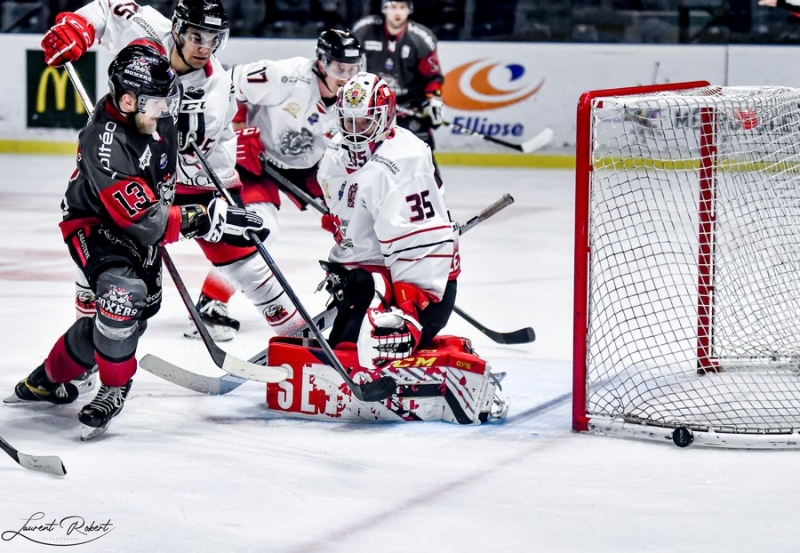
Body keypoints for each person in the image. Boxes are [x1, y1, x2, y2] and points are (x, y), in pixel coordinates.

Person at [3, 41, 268, 440]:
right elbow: (146, 221)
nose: (166, 110)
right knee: (120, 298)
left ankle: (46, 378)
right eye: (156, 103)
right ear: (127, 101)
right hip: (95, 225)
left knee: (127, 322)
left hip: (139, 222)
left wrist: (217, 145)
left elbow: (148, 47)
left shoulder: (153, 112)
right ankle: (113, 388)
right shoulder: (105, 145)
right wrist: (208, 219)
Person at [39, 0, 292, 343]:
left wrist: (221, 198)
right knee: (100, 260)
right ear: (177, 28)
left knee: (243, 256)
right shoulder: (147, 27)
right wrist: (78, 28)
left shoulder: (215, 91)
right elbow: (106, 7)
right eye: (196, 36)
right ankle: (87, 351)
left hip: (181, 177)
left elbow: (209, 154)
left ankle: (296, 338)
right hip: (127, 169)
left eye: (214, 39)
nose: (205, 47)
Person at [184, 28, 365, 341]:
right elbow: (227, 85)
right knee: (260, 228)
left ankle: (361, 289)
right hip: (255, 160)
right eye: (338, 68)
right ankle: (211, 303)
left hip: (310, 169)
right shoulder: (286, 76)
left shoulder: (356, 96)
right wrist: (237, 129)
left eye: (352, 69)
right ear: (321, 63)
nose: (346, 78)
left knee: (354, 222)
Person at [315, 72, 458, 369]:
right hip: (370, 275)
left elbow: (423, 245)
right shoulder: (334, 153)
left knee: (374, 348)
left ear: (385, 118)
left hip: (420, 287)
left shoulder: (403, 161)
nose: (354, 132)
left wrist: (412, 306)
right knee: (344, 345)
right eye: (348, 121)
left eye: (365, 122)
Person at [352, 1, 445, 166]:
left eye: (402, 8)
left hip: (409, 109)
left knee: (423, 159)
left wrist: (435, 99)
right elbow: (349, 67)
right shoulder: (364, 31)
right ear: (384, 9)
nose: (397, 12)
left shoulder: (421, 39)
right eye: (393, 7)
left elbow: (433, 78)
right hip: (372, 109)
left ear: (410, 10)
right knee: (363, 159)